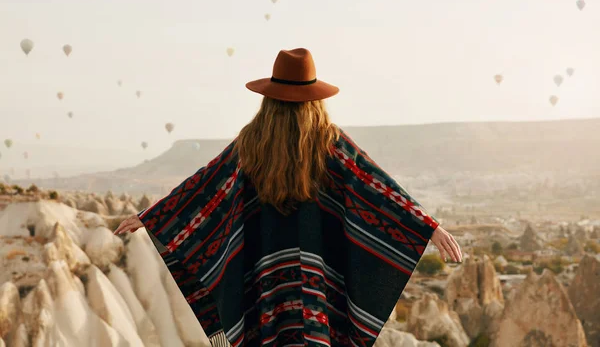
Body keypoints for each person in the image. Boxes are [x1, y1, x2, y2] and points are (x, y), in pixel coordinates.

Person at [114, 48, 462, 347]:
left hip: (264, 276)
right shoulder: (329, 142)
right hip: (317, 282)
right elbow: (377, 188)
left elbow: (205, 187)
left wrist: (155, 216)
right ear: (315, 99)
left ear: (270, 97)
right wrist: (426, 227)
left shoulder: (252, 143)